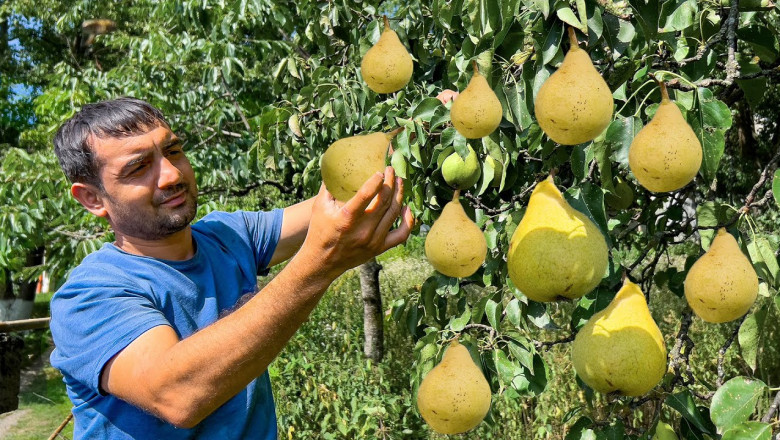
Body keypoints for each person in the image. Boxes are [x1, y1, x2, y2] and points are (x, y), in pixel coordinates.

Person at [48, 97, 414, 439]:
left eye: (173, 151)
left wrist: (427, 127)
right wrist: (319, 265)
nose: (172, 174)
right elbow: (177, 395)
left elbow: (340, 200)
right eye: (139, 167)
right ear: (92, 198)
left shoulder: (226, 235)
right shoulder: (89, 295)